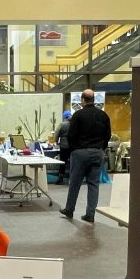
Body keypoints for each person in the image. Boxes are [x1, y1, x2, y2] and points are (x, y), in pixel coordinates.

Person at [59, 89, 111, 224]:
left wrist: (74, 149)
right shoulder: (103, 115)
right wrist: (101, 148)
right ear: (94, 99)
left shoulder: (78, 115)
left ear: (82, 100)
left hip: (80, 153)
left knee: (75, 183)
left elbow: (71, 135)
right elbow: (107, 135)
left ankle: (69, 209)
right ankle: (90, 214)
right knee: (94, 184)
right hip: (97, 152)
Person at [55, 110, 72, 184]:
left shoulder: (62, 124)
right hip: (73, 146)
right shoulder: (74, 124)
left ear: (64, 117)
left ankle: (60, 178)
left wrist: (56, 141)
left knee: (63, 162)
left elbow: (57, 133)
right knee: (72, 162)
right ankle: (72, 179)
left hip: (64, 145)